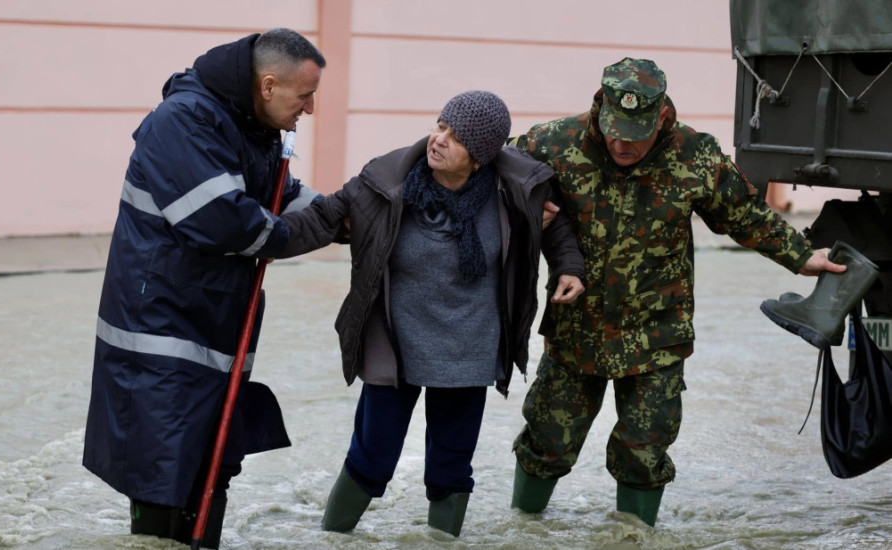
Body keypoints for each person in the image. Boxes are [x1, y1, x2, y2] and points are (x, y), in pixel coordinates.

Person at [507, 58, 848, 527]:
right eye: (614, 130)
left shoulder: (695, 155)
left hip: (657, 336)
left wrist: (800, 255)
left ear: (662, 117)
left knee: (644, 452)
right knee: (546, 441)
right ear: (601, 106)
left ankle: (633, 537)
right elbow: (495, 179)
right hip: (575, 329)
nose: (622, 144)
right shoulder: (551, 143)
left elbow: (744, 214)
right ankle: (521, 529)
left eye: (636, 134)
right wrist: (521, 215)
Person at [276, 90, 586, 537]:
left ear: (479, 158)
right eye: (440, 125)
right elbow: (321, 219)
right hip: (395, 342)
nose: (438, 139)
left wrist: (569, 268)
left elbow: (555, 226)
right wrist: (262, 240)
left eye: (456, 137)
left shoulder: (513, 192)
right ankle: (333, 540)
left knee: (450, 467)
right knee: (371, 457)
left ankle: (443, 543)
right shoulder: (385, 185)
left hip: (470, 346)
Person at [81, 28, 325, 548]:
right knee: (162, 469)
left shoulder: (248, 125)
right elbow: (224, 222)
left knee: (211, 466)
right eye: (304, 95)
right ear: (266, 85)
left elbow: (284, 195)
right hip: (160, 335)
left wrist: (352, 216)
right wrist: (301, 234)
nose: (310, 108)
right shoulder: (183, 121)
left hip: (212, 328)